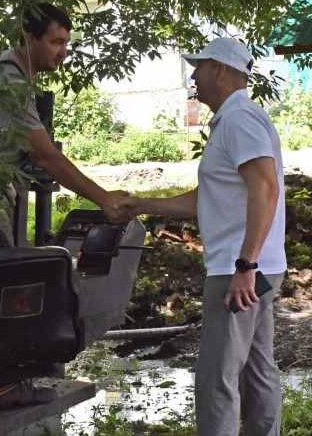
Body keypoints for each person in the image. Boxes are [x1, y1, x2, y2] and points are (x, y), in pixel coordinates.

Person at [123, 36, 287, 436]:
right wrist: (140, 204)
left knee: (217, 378)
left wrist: (245, 265)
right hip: (257, 267)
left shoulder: (238, 120)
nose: (193, 75)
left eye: (199, 67)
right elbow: (207, 198)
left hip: (240, 271)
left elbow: (265, 188)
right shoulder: (238, 119)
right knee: (257, 369)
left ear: (222, 70)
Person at [0, 2, 130, 277]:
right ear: (28, 37)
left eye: (67, 43)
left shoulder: (11, 67)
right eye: (57, 42)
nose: (64, 52)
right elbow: (45, 156)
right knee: (5, 284)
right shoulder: (9, 82)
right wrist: (103, 199)